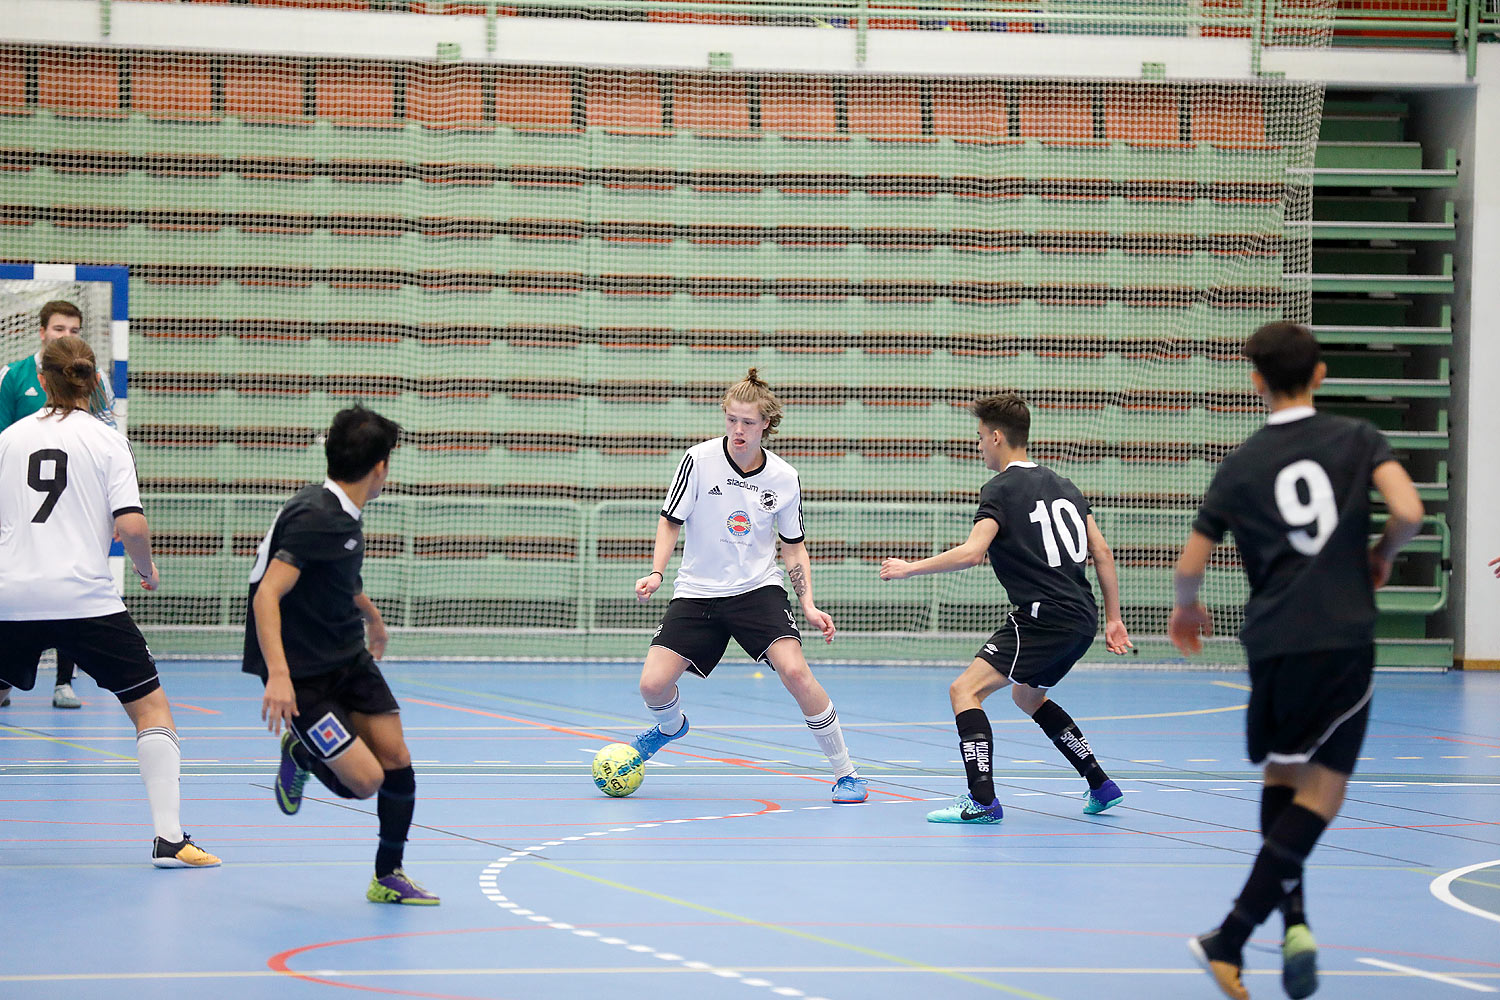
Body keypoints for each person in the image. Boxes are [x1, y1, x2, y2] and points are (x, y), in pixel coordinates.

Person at [1170, 322, 1423, 1000]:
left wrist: (1187, 611)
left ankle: (1296, 923)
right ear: (1321, 375)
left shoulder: (1242, 462)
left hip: (1272, 643)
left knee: (1283, 774)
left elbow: (1190, 564)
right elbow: (1408, 509)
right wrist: (1381, 555)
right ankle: (1229, 934)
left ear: (1256, 380)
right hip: (1339, 638)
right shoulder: (1358, 439)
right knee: (1324, 794)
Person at [0, 336, 219, 868]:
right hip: (85, 598)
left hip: (11, 595)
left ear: (43, 381)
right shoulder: (106, 440)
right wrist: (145, 570)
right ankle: (170, 838)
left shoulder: (6, 439)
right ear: (95, 381)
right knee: (150, 709)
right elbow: (131, 524)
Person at [879, 392, 1132, 824]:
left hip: (1042, 616)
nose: (979, 446)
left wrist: (909, 568)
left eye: (980, 437)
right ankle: (1100, 783)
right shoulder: (1066, 486)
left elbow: (973, 552)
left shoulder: (999, 488)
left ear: (997, 437)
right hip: (1081, 617)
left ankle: (982, 801)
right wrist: (1113, 619)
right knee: (1028, 696)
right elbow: (1102, 552)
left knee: (964, 690)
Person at [630, 369, 868, 804]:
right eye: (731, 420)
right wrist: (657, 572)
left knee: (795, 671)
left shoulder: (783, 477)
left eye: (748, 422)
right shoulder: (698, 460)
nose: (738, 431)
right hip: (698, 591)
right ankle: (670, 726)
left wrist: (808, 604)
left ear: (766, 425)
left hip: (757, 590)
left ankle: (846, 772)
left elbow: (793, 548)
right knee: (651, 685)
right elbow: (670, 520)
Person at [244, 404, 437, 905]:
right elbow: (268, 595)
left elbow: (338, 577)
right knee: (366, 782)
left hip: (346, 655)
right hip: (304, 674)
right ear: (380, 468)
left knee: (397, 758)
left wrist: (371, 616)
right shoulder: (316, 519)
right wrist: (279, 676)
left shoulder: (339, 512)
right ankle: (302, 749)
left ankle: (387, 874)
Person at [0, 300, 115, 710]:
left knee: (74, 576)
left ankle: (65, 680)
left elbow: (108, 429)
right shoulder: (14, 377)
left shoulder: (94, 379)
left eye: (74, 330)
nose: (67, 336)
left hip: (74, 501)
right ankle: (6, 678)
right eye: (60, 329)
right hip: (24, 505)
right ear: (42, 331)